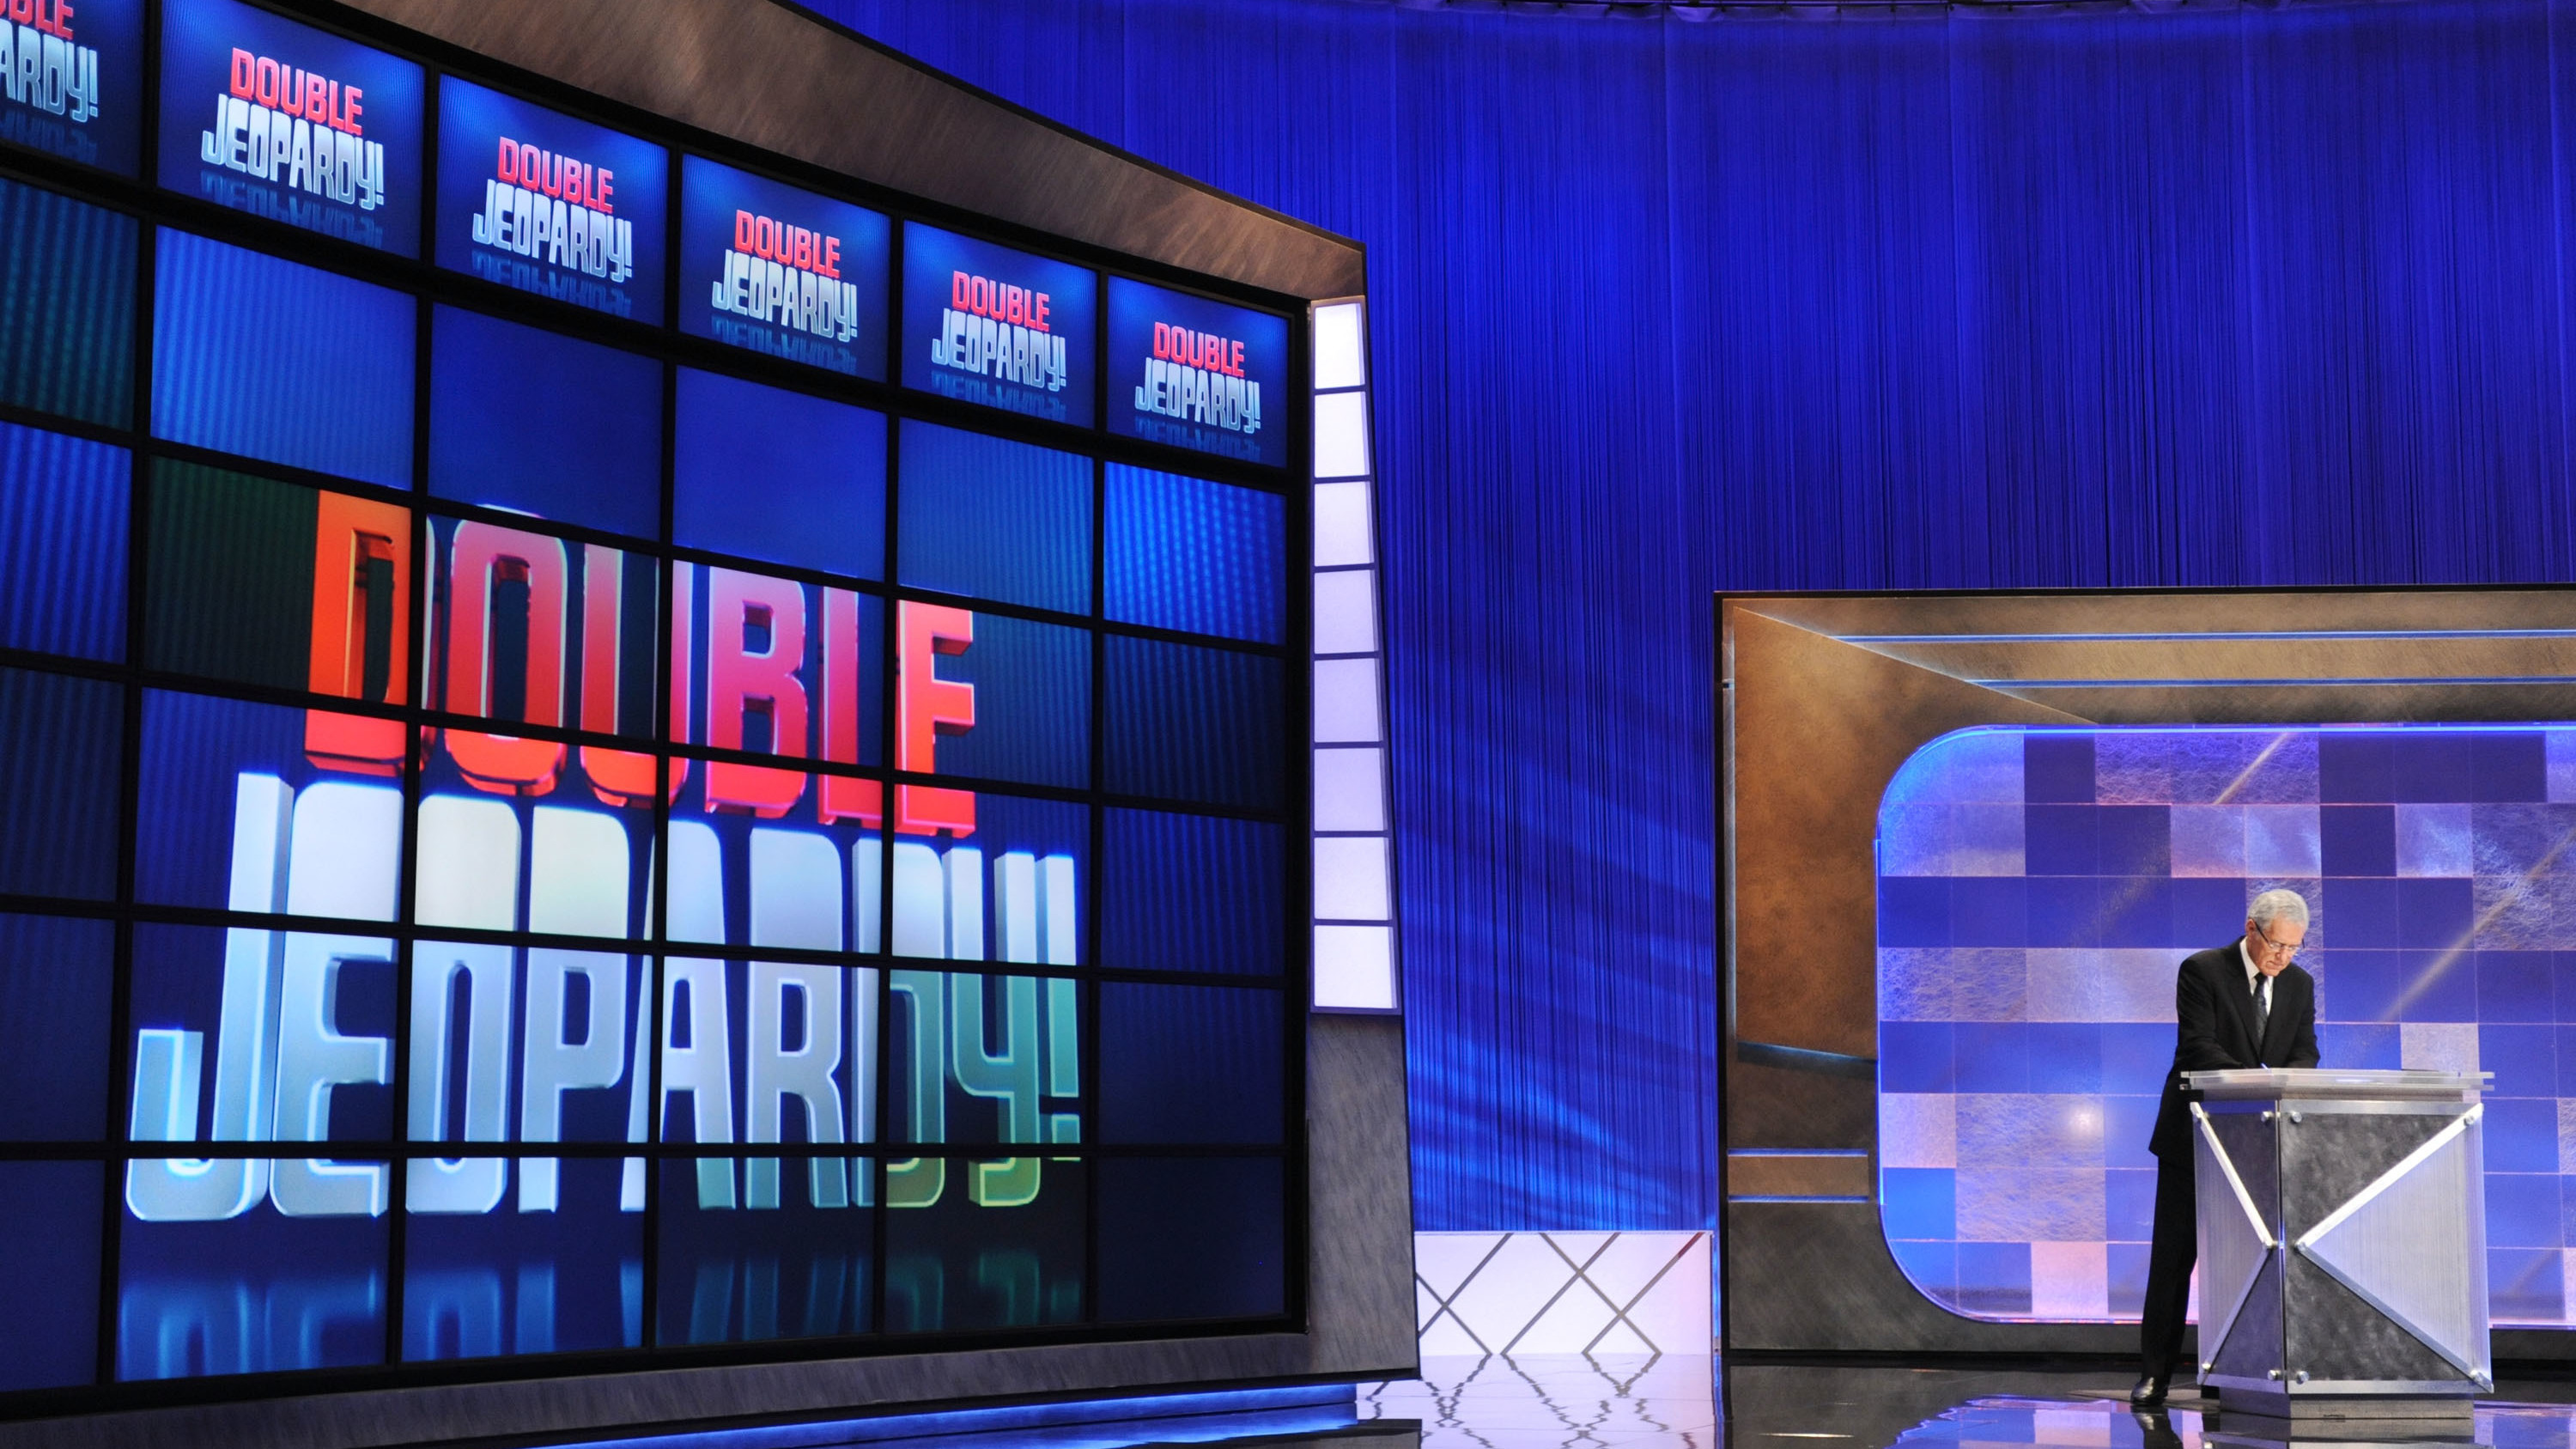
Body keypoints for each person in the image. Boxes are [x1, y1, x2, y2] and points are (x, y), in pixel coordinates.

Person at [2131, 888, 2319, 1409]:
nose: (2284, 957)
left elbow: (2306, 1054)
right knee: (2174, 1260)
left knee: (2250, 1260)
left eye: (2295, 947)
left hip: (2259, 1140)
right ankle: (2155, 1376)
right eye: (2277, 945)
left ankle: (2235, 1375)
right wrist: (2261, 1079)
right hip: (2195, 1135)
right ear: (2252, 929)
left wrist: (2279, 1082)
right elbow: (2199, 1048)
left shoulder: (2299, 985)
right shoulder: (2203, 970)